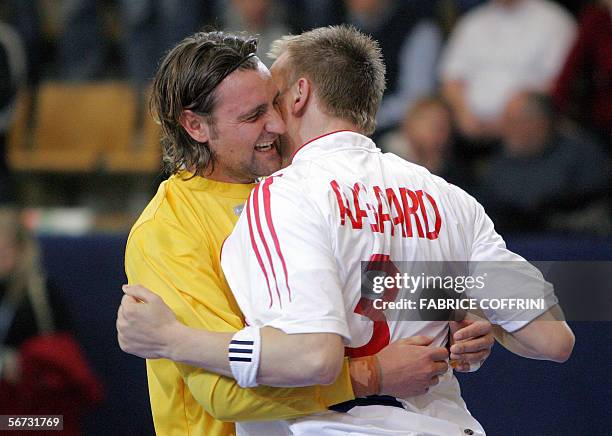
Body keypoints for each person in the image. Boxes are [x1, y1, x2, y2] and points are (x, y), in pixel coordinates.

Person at [119, 26, 574, 435]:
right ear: (195, 125)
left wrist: (459, 308)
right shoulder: (172, 227)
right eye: (254, 115)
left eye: (272, 104)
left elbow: (362, 294)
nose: (275, 124)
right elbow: (222, 396)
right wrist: (373, 372)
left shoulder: (289, 193)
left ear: (300, 95)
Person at [439, 0, 576, 141]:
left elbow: (558, 82)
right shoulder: (472, 22)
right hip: (470, 128)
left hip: (530, 127)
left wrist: (512, 117)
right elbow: (451, 79)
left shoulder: (554, 21)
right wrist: (463, 114)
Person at [477, 90, 610, 232]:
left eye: (512, 121)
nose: (505, 128)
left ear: (539, 123)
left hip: (574, 242)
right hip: (512, 242)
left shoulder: (581, 154)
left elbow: (596, 205)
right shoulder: (498, 161)